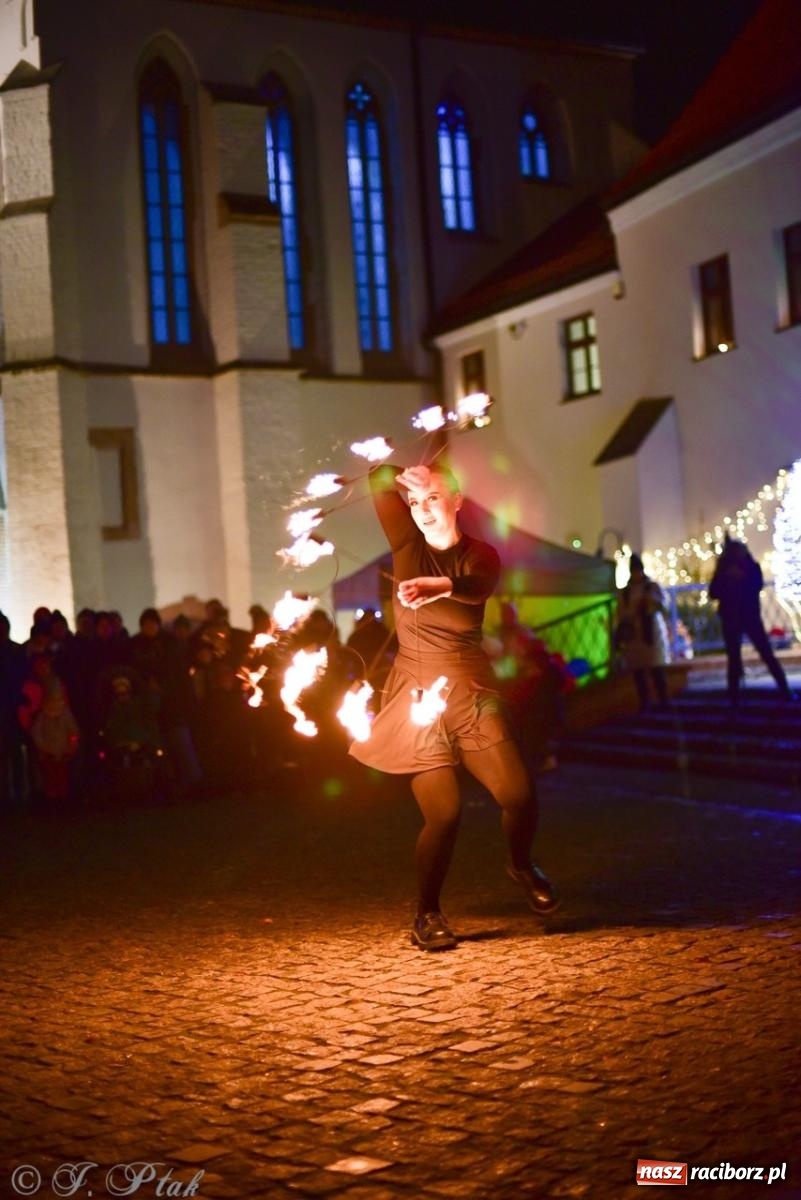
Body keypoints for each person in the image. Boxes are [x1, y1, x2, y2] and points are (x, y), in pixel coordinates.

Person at [349, 462, 559, 952]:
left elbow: (478, 586)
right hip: (415, 696)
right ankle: (427, 913)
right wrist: (409, 475)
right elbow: (377, 477)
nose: (423, 510)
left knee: (519, 794)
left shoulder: (480, 555)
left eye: (434, 498)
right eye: (415, 501)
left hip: (470, 691)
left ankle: (521, 865)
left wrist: (438, 586)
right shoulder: (406, 543)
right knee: (444, 813)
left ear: (458, 501)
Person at [709, 536, 792, 707]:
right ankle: (734, 698)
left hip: (749, 616)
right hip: (732, 617)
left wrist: (739, 578)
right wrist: (726, 579)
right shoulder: (724, 570)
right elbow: (713, 592)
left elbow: (756, 586)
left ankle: (784, 689)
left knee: (765, 652)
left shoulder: (751, 567)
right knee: (735, 658)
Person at [615, 553, 670, 711]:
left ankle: (663, 699)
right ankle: (645, 701)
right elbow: (621, 612)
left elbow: (663, 605)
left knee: (656, 667)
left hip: (651, 632)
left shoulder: (652, 587)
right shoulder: (626, 591)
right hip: (634, 634)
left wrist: (650, 603)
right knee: (638, 669)